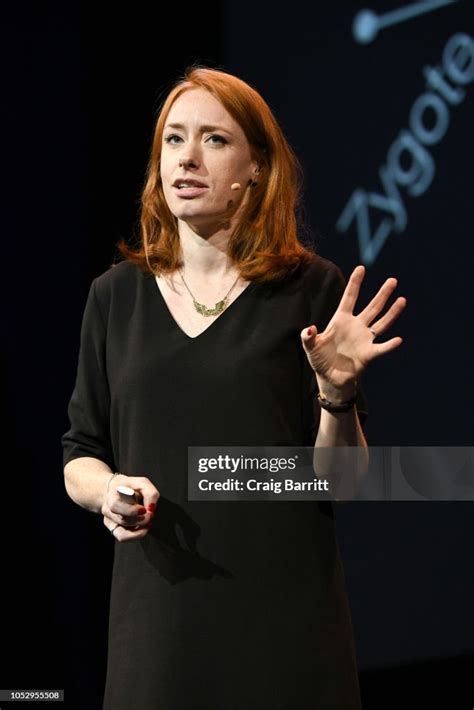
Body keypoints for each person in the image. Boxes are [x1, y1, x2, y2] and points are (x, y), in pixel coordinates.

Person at [62, 64, 406, 709]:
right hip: (158, 623)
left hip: (285, 625)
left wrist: (336, 394)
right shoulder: (114, 297)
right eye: (173, 138)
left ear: (257, 168)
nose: (186, 159)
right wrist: (108, 490)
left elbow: (345, 482)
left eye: (214, 140)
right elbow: (80, 450)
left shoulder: (309, 290)